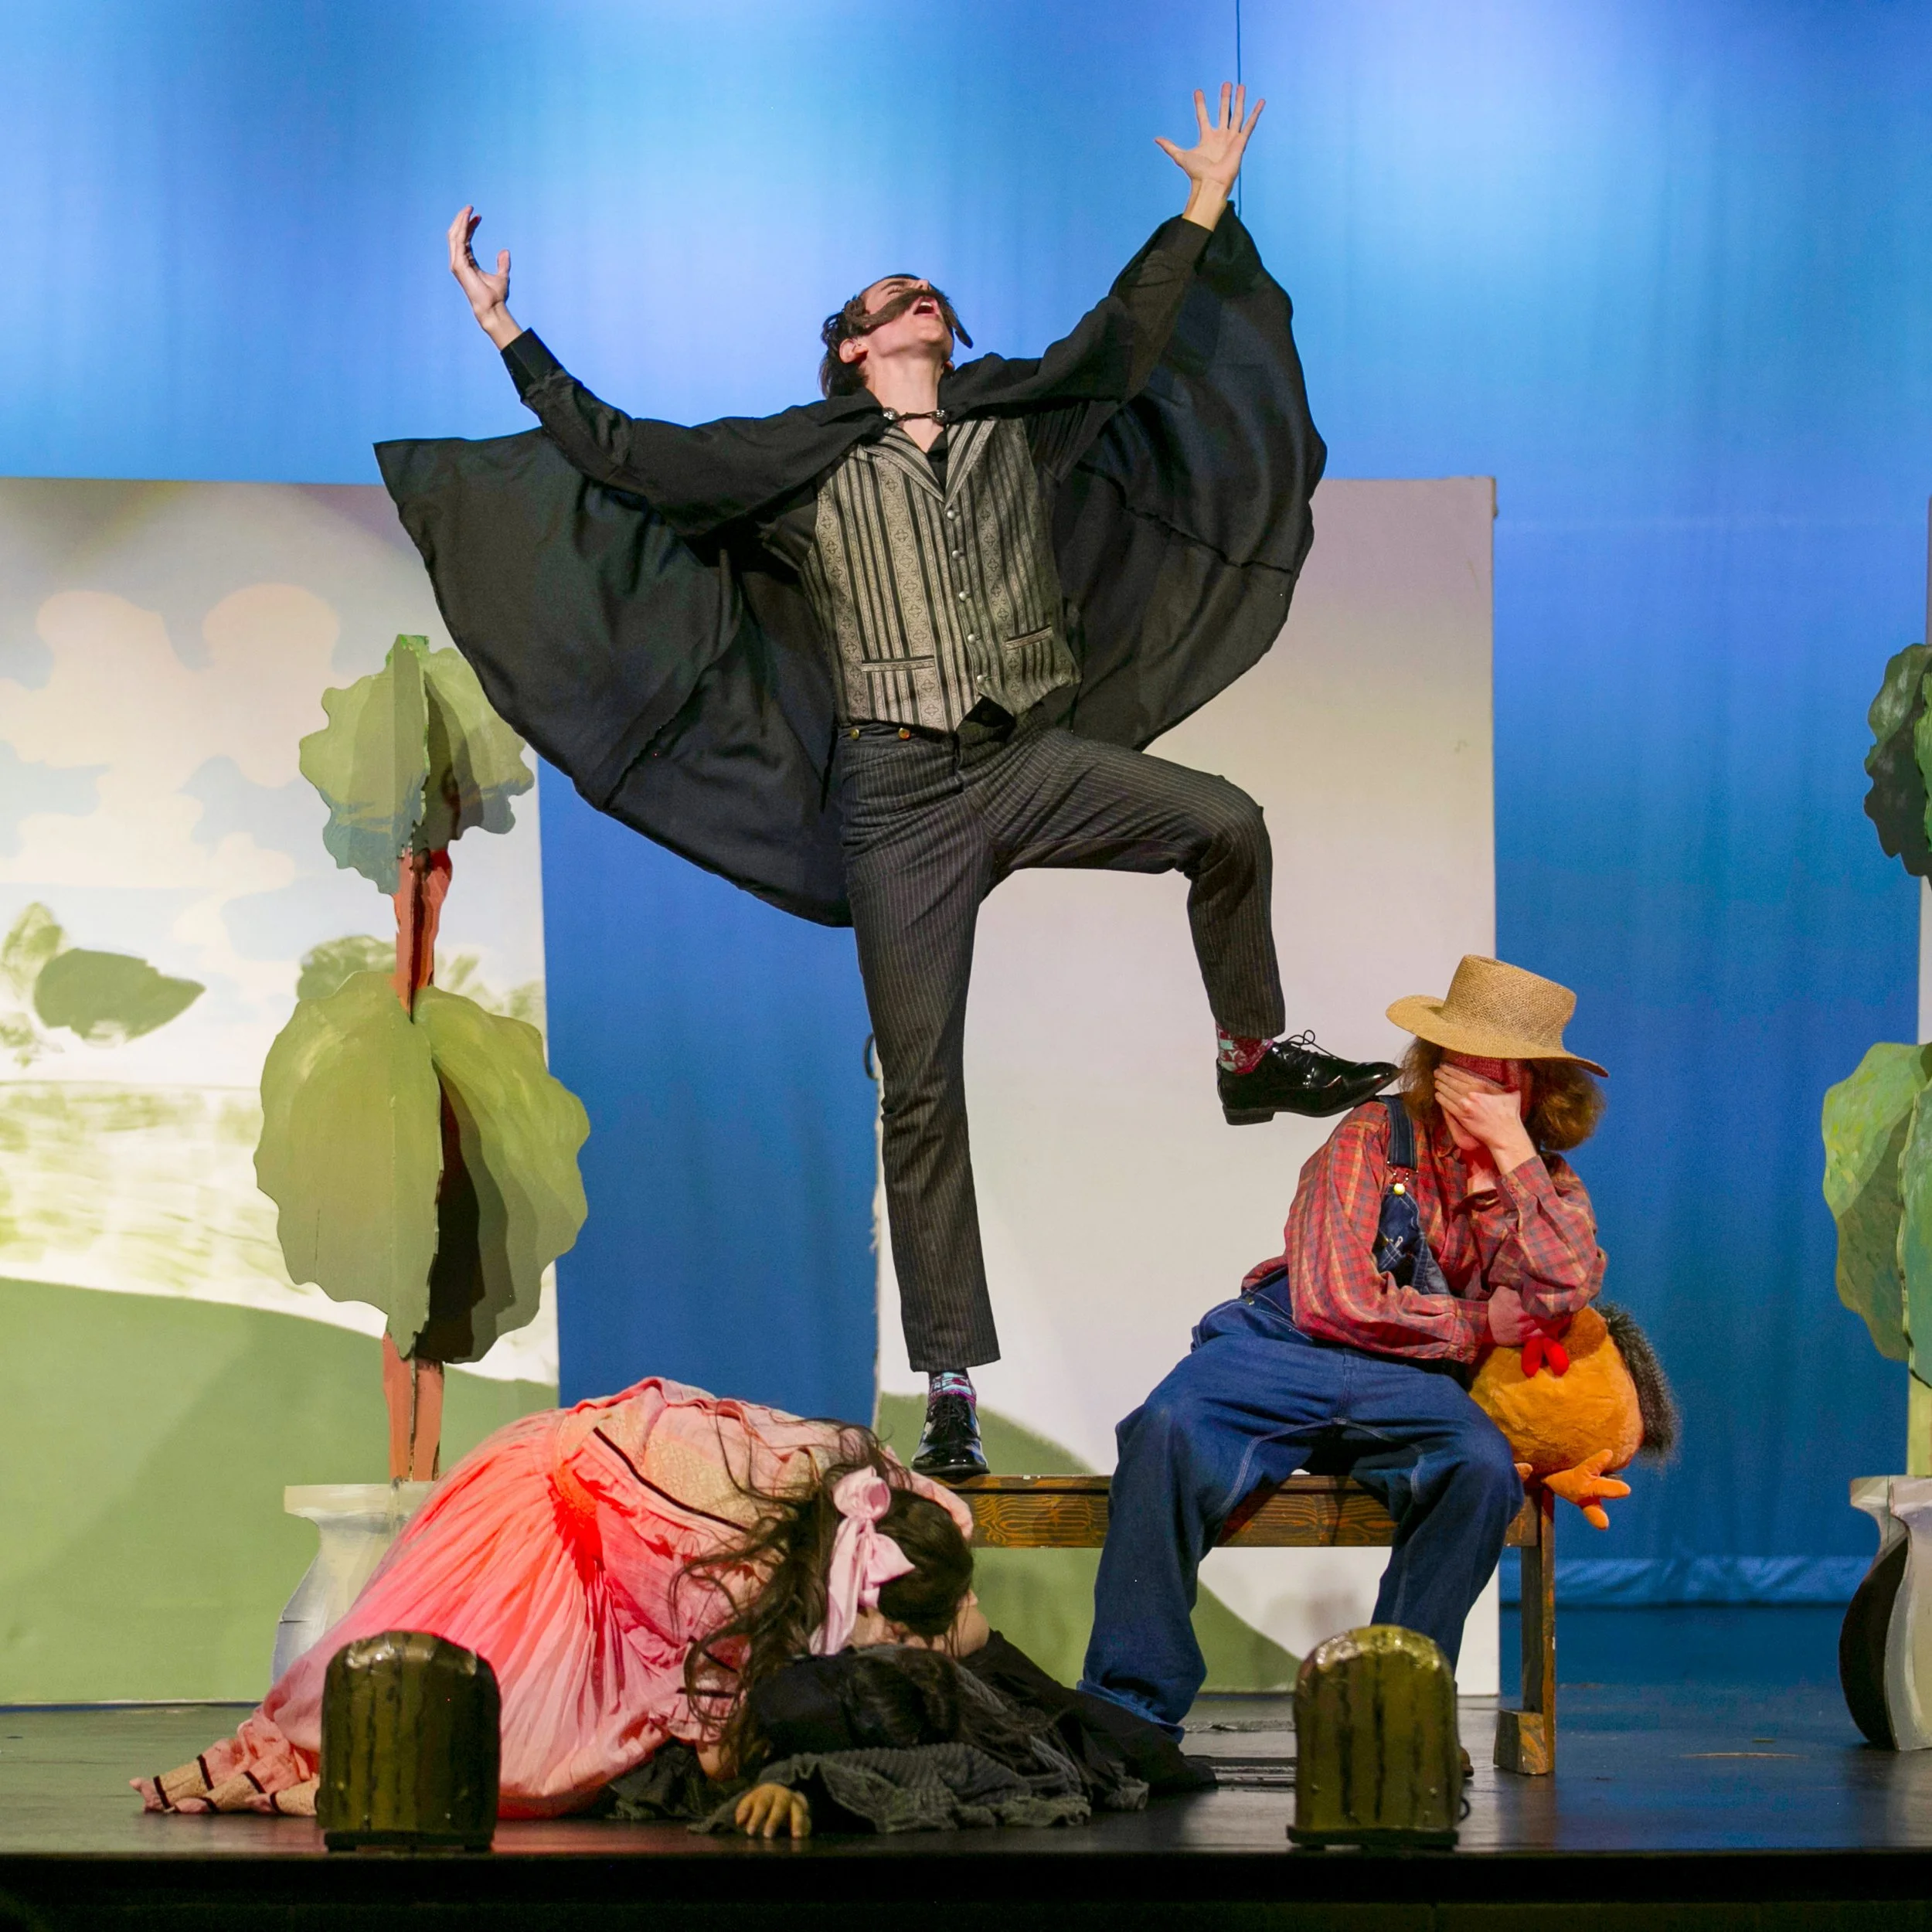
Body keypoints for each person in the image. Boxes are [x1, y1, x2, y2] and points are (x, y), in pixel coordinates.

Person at [380, 83, 1396, 1482]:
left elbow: (1127, 336)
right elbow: (627, 454)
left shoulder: (1019, 417)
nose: (926, 299)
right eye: (897, 296)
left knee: (1224, 823)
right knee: (921, 1092)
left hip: (1026, 760)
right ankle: (952, 1378)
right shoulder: (794, 464)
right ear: (857, 348)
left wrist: (1203, 204)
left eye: (932, 292)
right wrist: (506, 329)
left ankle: (1249, 1054)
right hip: (900, 798)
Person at [135, 1378, 1192, 1829]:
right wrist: (736, 1742)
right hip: (555, 1516)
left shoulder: (907, 1521)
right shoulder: (727, 1555)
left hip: (676, 1520)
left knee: (981, 1676)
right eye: (898, 1630)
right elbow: (692, 1648)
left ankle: (1142, 1745)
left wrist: (1101, 1730)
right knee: (526, 1757)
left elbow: (965, 1634)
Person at [1078, 954, 1609, 1736]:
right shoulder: (1370, 1133)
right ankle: (1130, 1708)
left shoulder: (1543, 1183)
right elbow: (1337, 1299)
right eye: (1465, 1063)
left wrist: (1511, 1156)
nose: (1480, 1087)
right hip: (1285, 1344)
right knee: (1166, 1430)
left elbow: (1565, 1287)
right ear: (1436, 1064)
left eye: (1505, 1074)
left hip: (1406, 1379)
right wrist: (1476, 1324)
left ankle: (1391, 1710)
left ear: (1538, 1089)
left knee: (1481, 1469)